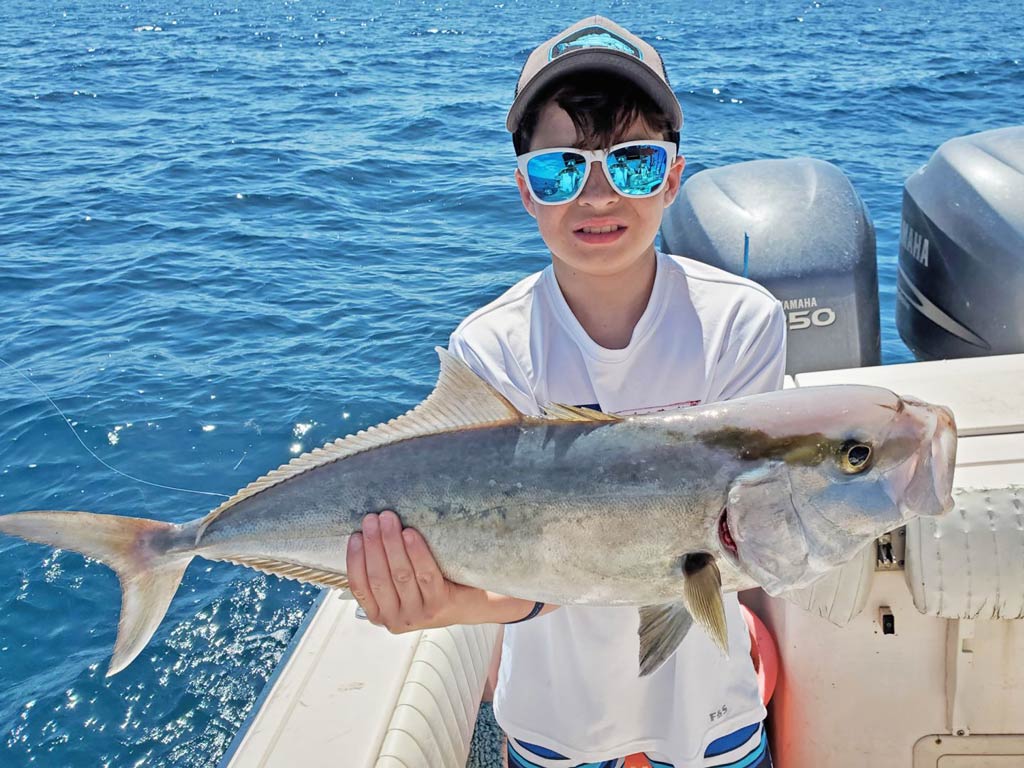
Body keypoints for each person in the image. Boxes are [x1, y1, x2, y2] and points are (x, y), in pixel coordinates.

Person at [346, 16, 785, 768]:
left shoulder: (742, 322)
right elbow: (529, 564)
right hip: (554, 719)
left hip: (709, 710)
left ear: (675, 178)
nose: (599, 195)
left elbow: (723, 543)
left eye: (635, 163)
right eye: (561, 170)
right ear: (525, 192)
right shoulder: (493, 345)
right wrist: (444, 600)